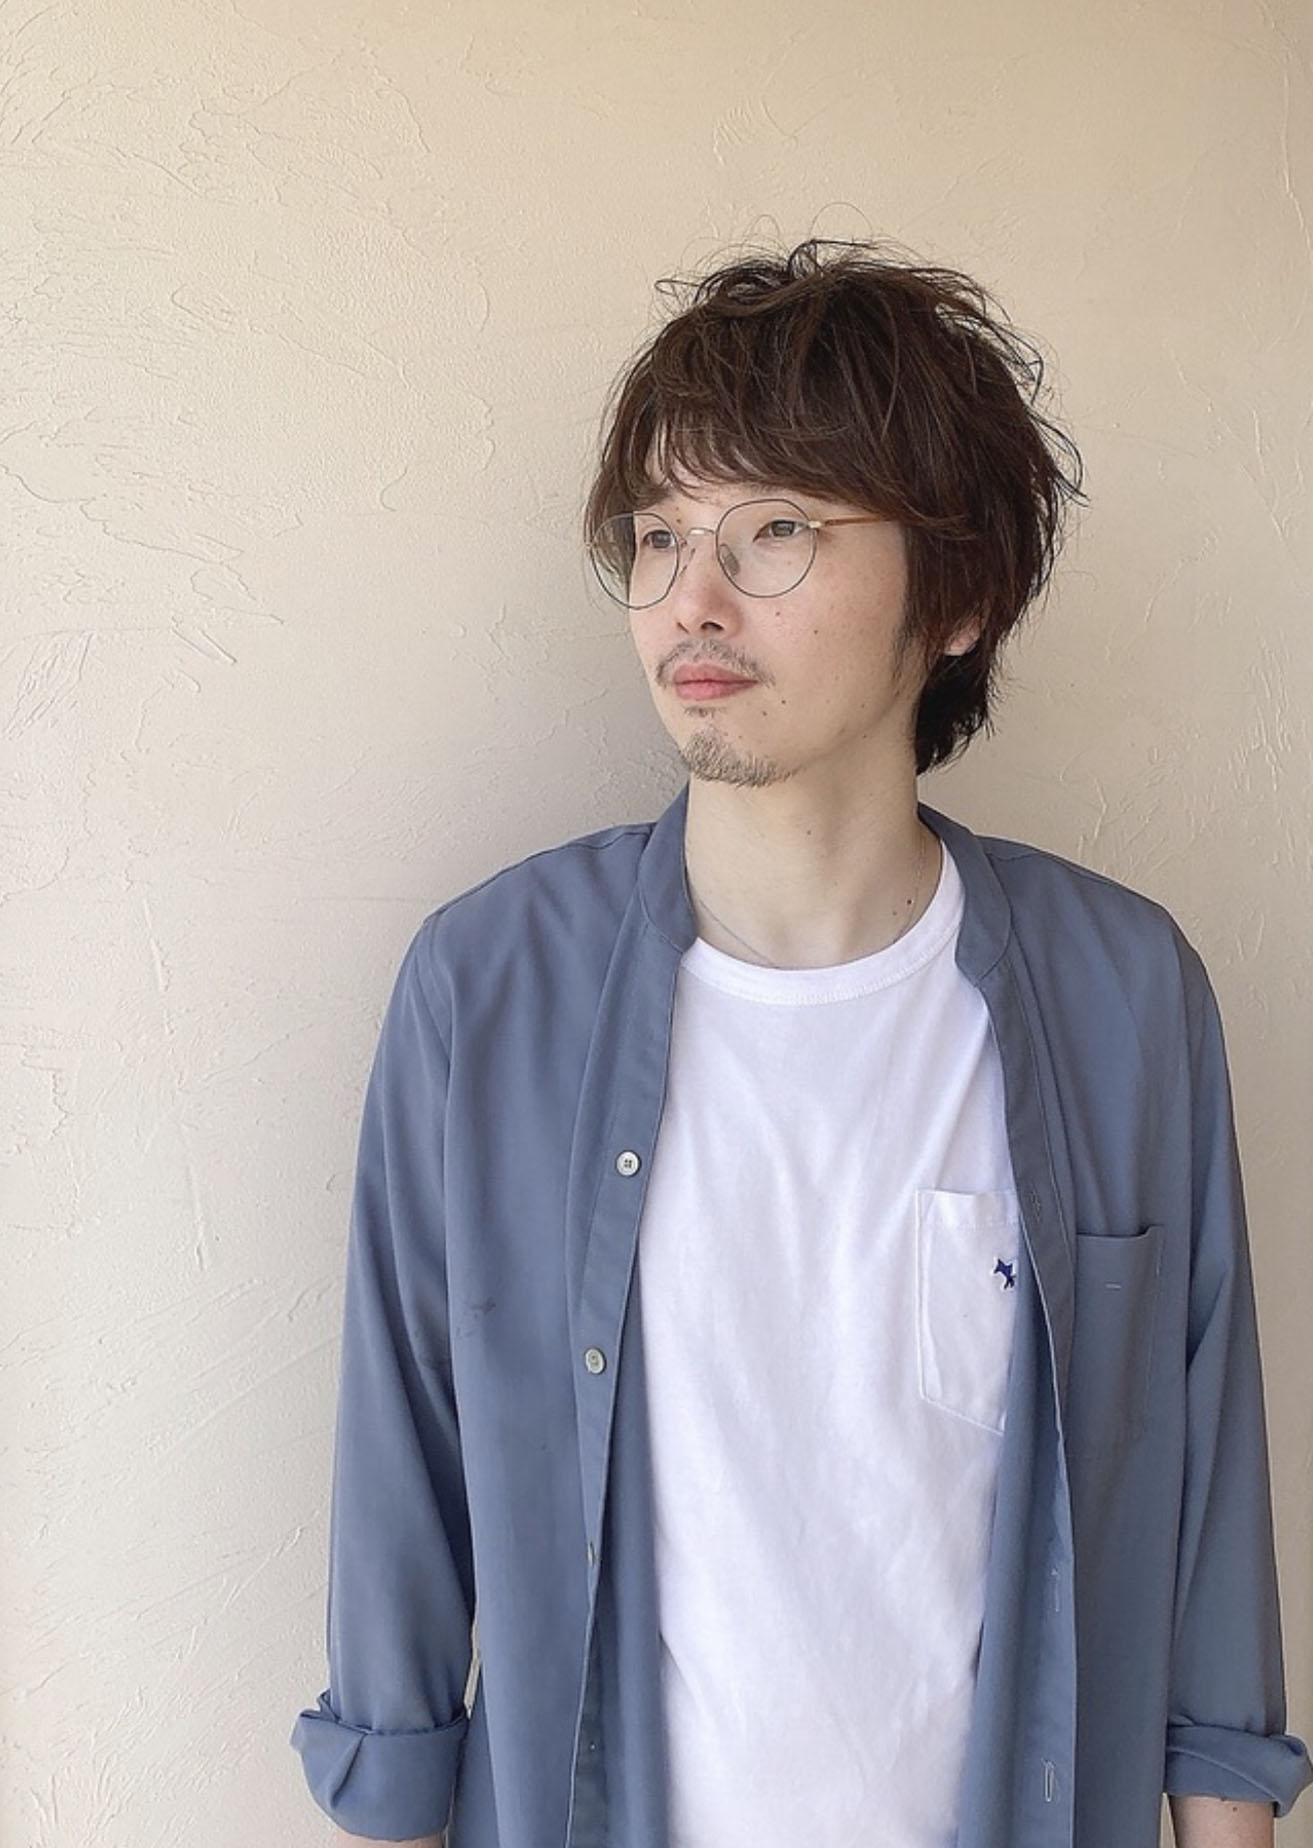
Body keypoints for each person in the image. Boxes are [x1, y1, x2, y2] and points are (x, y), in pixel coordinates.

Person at [290, 240, 1311, 1848]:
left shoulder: (1120, 994)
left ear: (958, 595)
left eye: (775, 529)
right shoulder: (490, 991)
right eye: (658, 535)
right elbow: (399, 1485)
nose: (691, 600)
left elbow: (1200, 1488)